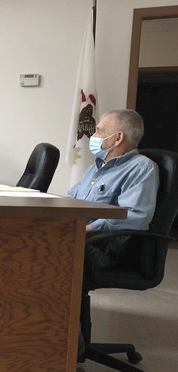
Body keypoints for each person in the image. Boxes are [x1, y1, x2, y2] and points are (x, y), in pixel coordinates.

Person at [67, 109, 159, 269]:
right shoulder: (96, 167)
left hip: (102, 247)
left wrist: (88, 229)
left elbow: (136, 216)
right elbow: (71, 199)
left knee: (40, 249)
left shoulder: (141, 168)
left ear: (118, 138)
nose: (93, 135)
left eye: (99, 131)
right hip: (81, 236)